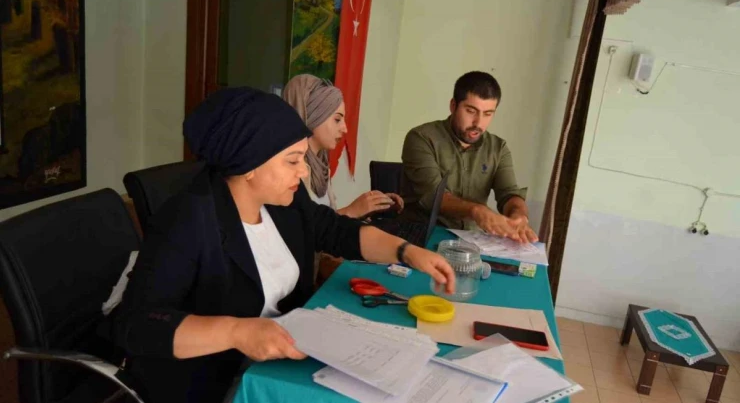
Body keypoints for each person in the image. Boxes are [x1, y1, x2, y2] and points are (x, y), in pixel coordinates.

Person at [109, 87, 456, 403]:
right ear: (248, 166)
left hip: (282, 358)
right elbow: (136, 325)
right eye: (292, 160)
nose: (303, 171)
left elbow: (335, 229)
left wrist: (406, 252)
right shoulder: (188, 220)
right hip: (213, 379)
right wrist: (236, 332)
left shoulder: (282, 201)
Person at [400, 71, 538, 243]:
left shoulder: (498, 148)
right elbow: (433, 197)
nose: (478, 123)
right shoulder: (421, 138)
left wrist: (518, 215)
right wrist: (476, 211)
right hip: (422, 234)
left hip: (471, 241)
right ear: (453, 106)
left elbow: (509, 194)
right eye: (471, 111)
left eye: (488, 114)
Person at [282, 74, 403, 218]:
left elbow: (325, 222)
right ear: (313, 117)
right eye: (337, 119)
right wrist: (351, 211)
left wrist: (368, 207)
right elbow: (298, 228)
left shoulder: (322, 166)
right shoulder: (289, 169)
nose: (344, 129)